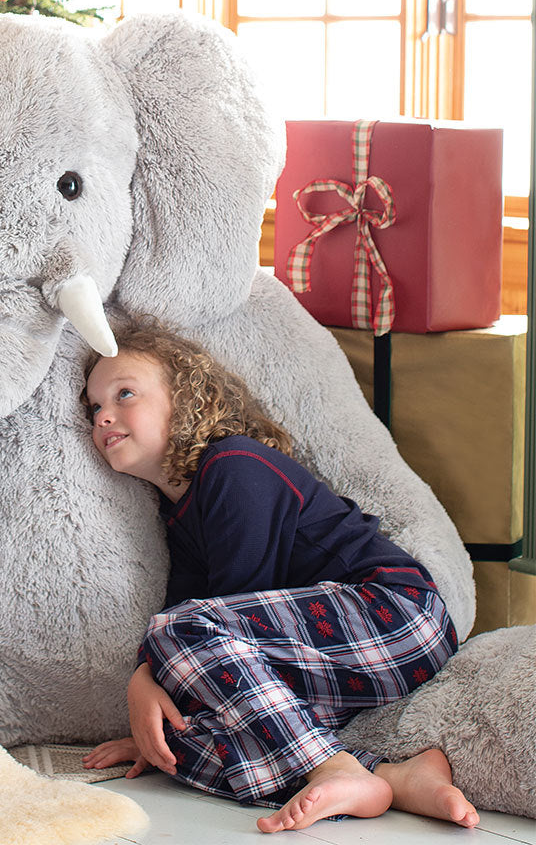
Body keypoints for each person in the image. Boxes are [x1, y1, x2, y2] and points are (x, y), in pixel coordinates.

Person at [79, 320, 478, 833]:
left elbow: (216, 613)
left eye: (125, 394)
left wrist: (146, 675)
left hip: (394, 613)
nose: (103, 415)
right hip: (338, 657)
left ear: (184, 399)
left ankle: (333, 769)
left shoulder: (234, 465)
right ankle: (392, 777)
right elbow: (207, 636)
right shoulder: (179, 517)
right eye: (93, 407)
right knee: (177, 745)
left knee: (176, 634)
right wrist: (153, 702)